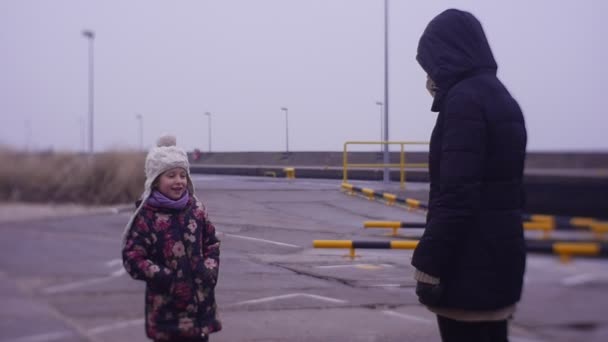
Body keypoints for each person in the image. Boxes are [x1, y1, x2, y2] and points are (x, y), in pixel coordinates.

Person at [411, 9, 527, 342]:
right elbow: (512, 192)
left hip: (467, 269)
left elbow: (456, 192)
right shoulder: (503, 98)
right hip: (501, 264)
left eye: (431, 64)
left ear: (447, 55)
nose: (430, 75)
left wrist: (429, 264)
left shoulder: (463, 102)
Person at [122, 134, 221, 342]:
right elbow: (132, 257)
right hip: (166, 314)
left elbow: (212, 242)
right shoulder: (147, 216)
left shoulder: (197, 210)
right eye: (171, 176)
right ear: (156, 181)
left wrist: (209, 269)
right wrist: (163, 276)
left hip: (199, 311)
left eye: (182, 175)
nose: (179, 181)